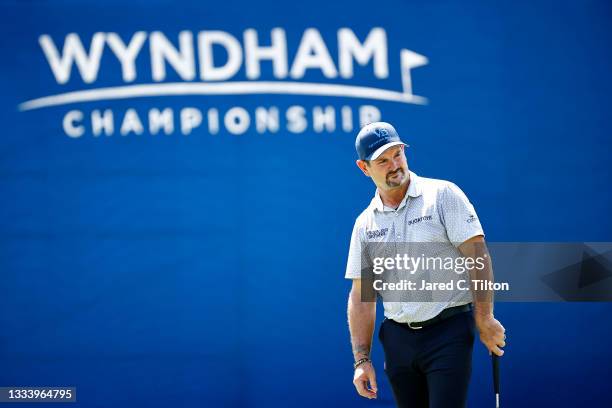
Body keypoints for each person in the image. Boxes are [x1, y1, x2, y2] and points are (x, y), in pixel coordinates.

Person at [345, 122, 506, 408]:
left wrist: (485, 316)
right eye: (383, 160)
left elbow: (477, 257)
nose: (394, 165)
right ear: (364, 167)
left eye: (398, 154)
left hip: (448, 330)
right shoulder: (365, 224)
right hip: (397, 340)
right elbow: (361, 296)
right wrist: (362, 360)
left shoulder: (443, 195)